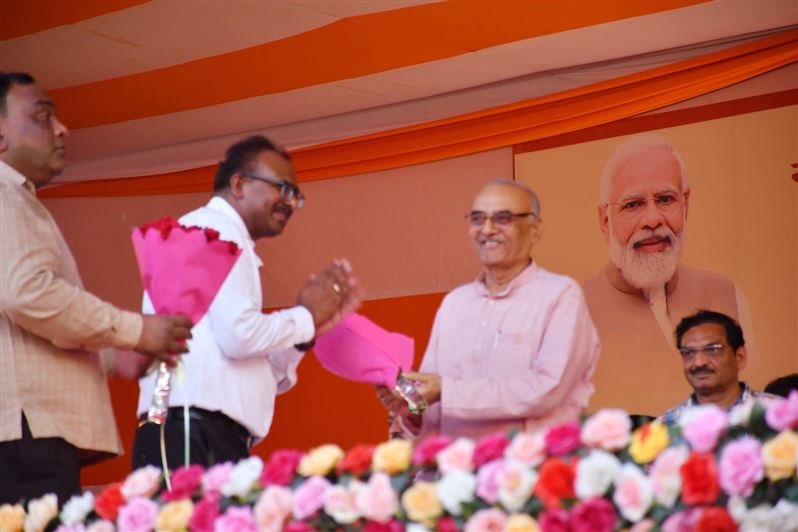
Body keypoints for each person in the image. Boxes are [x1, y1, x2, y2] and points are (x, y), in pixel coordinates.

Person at [0, 72, 193, 504]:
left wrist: (110, 356)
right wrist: (134, 330)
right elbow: (29, 295)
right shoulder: (6, 195)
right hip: (26, 436)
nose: (62, 129)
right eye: (43, 116)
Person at [133, 135, 362, 468]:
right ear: (238, 184)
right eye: (282, 188)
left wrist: (304, 336)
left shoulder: (225, 235)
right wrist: (304, 317)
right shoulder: (213, 228)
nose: (291, 203)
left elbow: (255, 365)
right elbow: (241, 337)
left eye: (296, 194)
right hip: (188, 430)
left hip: (208, 433)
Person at [378, 180, 600, 439]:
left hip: (534, 470)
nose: (488, 229)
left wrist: (446, 391)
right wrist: (410, 408)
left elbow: (546, 390)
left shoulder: (560, 295)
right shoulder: (454, 304)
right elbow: (434, 412)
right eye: (477, 219)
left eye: (502, 218)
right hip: (460, 472)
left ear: (535, 229)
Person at [582, 133, 758, 416]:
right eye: (633, 204)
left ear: (685, 205)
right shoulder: (570, 313)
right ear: (605, 221)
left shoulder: (728, 295)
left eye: (665, 199)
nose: (652, 220)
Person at [661, 310, 773, 426]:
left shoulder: (776, 412)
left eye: (712, 350)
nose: (699, 363)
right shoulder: (665, 427)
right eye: (689, 353)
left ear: (740, 357)